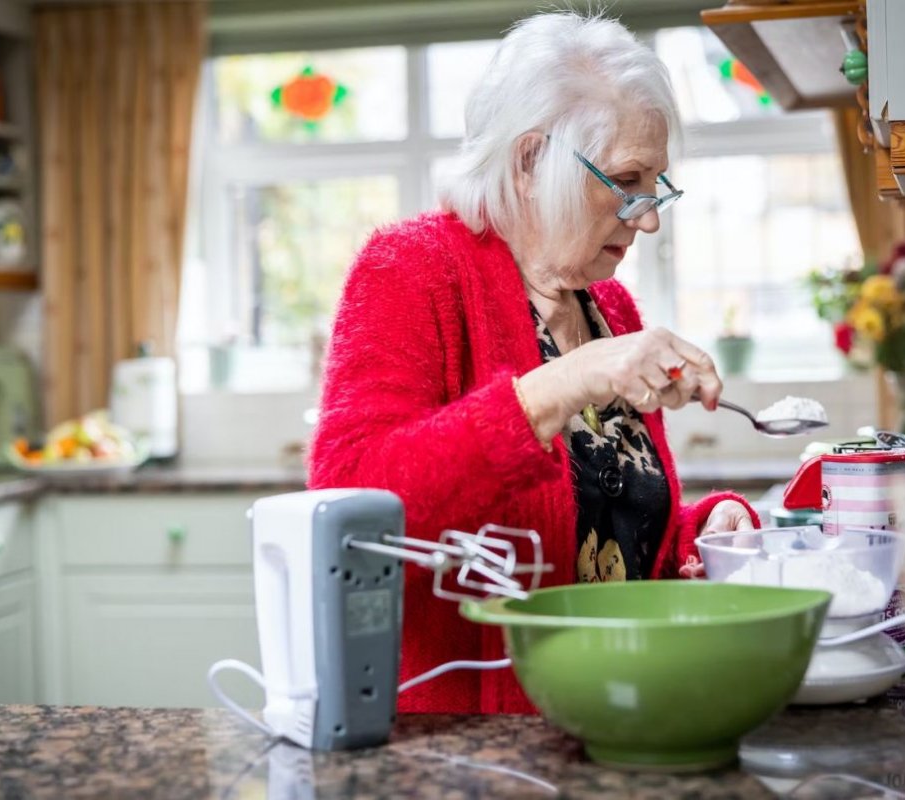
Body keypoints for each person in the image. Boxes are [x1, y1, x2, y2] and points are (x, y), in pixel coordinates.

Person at [308, 11, 758, 714]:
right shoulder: (410, 271)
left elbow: (605, 541)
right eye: (626, 181)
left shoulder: (610, 305)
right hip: (467, 746)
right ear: (529, 163)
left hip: (619, 715)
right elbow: (350, 503)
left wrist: (705, 533)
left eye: (657, 184)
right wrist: (565, 382)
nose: (648, 218)